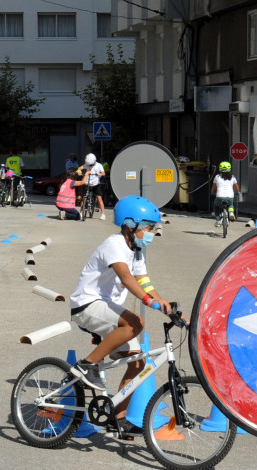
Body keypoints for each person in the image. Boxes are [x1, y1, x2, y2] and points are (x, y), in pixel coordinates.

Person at [68, 195, 172, 433]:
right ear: (130, 225)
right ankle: (87, 365)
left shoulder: (137, 250)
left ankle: (118, 418)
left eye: (152, 228)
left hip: (108, 310)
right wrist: (148, 301)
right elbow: (126, 277)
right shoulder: (115, 244)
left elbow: (143, 281)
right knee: (135, 323)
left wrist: (163, 303)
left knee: (138, 365)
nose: (151, 233)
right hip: (87, 304)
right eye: (147, 227)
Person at [82, 153, 107, 220]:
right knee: (84, 197)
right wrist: (78, 171)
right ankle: (81, 212)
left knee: (99, 198)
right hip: (88, 183)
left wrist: (99, 174)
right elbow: (80, 167)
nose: (89, 166)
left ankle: (103, 214)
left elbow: (103, 173)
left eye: (91, 165)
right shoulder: (87, 164)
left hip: (96, 184)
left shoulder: (99, 165)